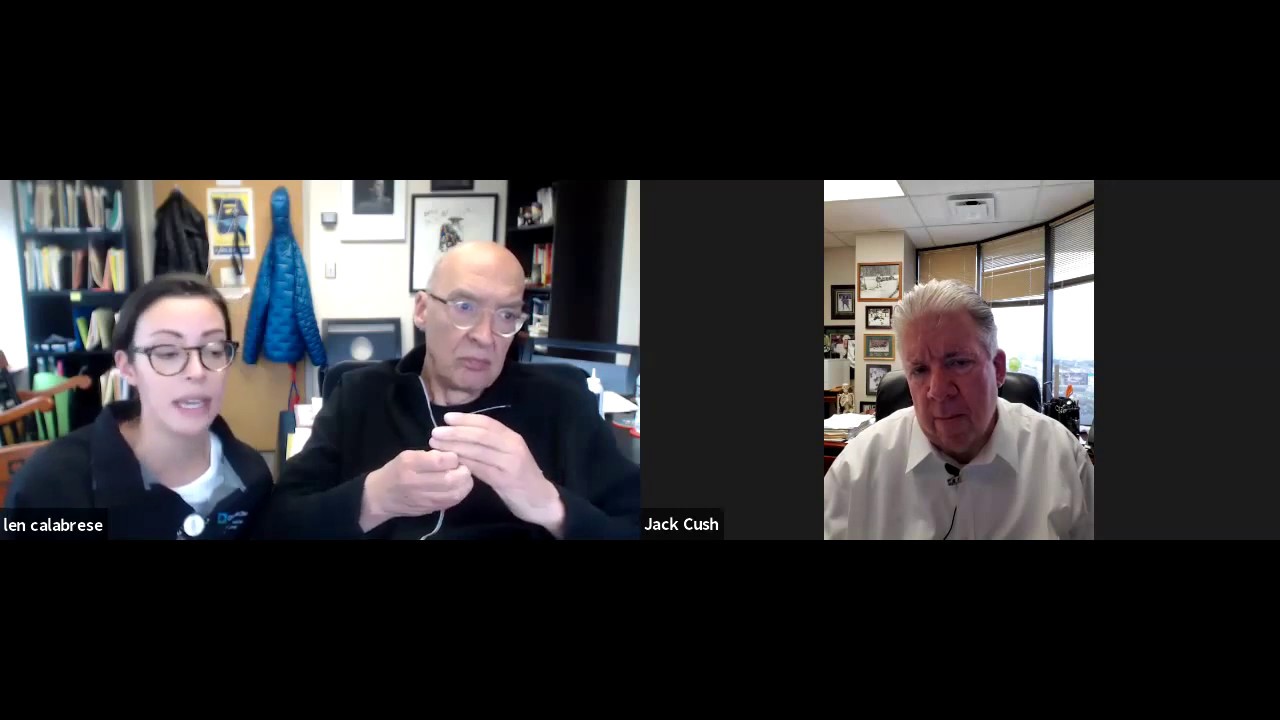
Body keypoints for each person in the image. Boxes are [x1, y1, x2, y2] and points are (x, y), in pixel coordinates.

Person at [263, 242, 641, 539]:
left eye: (507, 315)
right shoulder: (360, 394)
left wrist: (550, 505)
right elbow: (278, 523)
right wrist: (372, 499)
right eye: (464, 306)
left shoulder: (561, 403)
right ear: (423, 310)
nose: (485, 336)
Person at [3, 273, 273, 539]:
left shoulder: (252, 477)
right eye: (168, 353)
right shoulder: (50, 487)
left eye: (213, 350)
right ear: (127, 367)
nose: (197, 371)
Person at [824, 279, 1093, 540]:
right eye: (919, 369)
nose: (938, 391)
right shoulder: (857, 469)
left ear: (998, 368)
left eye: (959, 363)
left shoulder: (1061, 458)